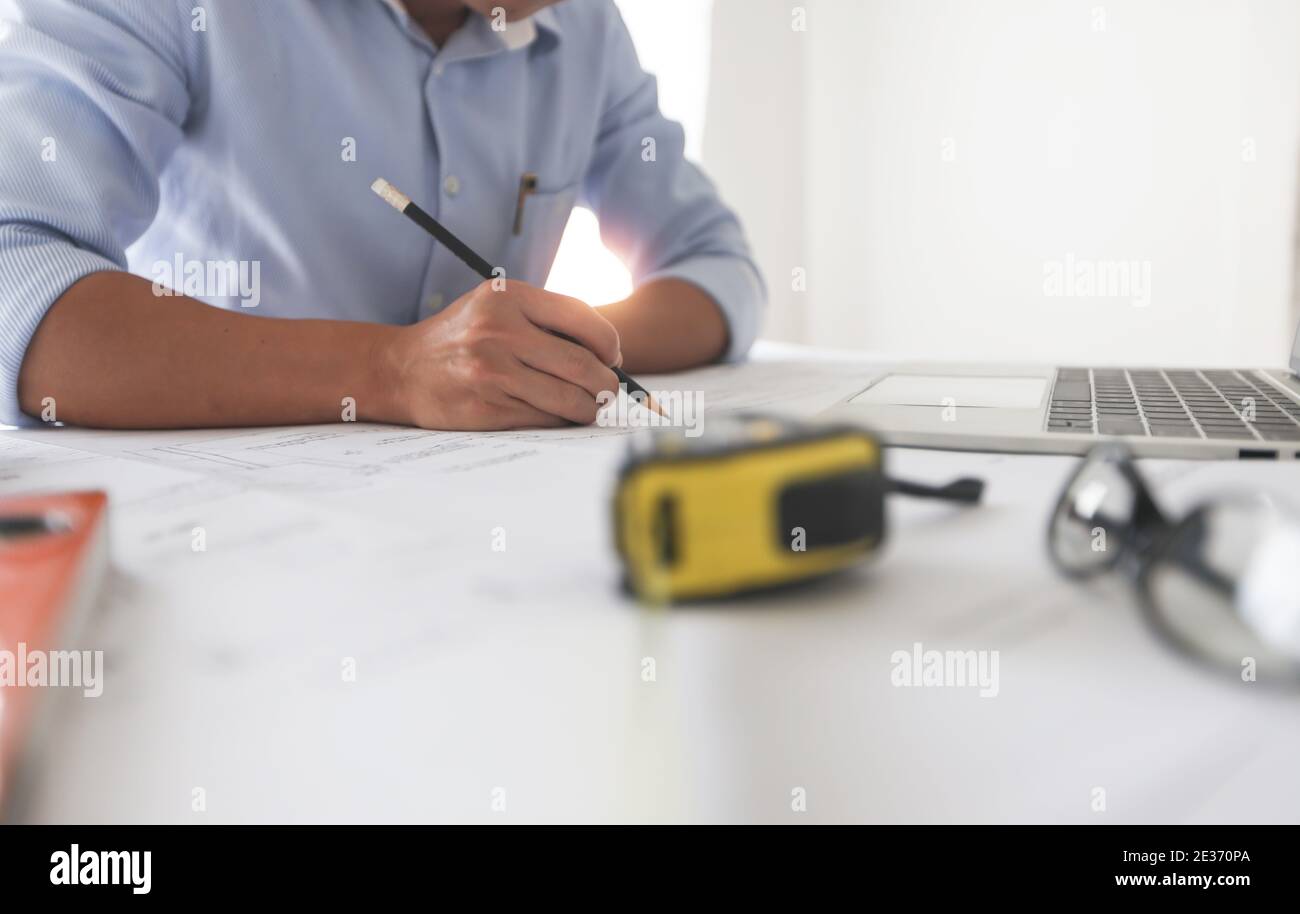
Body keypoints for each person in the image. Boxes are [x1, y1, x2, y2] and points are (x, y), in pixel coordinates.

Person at [0, 0, 764, 430]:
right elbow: (14, 269)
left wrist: (546, 349)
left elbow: (714, 267)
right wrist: (391, 370)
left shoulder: (586, 28)